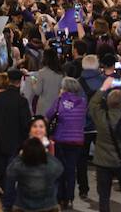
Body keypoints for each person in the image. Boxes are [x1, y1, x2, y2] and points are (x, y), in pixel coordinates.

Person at [0, 69, 30, 196]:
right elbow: (25, 124)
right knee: (11, 173)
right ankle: (7, 197)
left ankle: (0, 188)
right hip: (15, 143)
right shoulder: (22, 101)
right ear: (20, 82)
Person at [46, 77, 86, 209]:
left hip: (60, 139)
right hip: (77, 141)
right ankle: (69, 198)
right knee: (70, 170)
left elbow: (49, 114)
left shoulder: (59, 101)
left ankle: (60, 197)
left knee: (59, 169)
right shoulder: (82, 102)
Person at [88, 81, 121, 212]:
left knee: (104, 196)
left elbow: (92, 104)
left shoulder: (101, 117)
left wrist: (103, 87)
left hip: (103, 161)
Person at [4, 137, 64, 212]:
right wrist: (47, 154)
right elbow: (59, 168)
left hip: (23, 207)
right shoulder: (48, 168)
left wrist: (19, 156)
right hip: (47, 207)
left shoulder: (21, 168)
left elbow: (9, 171)